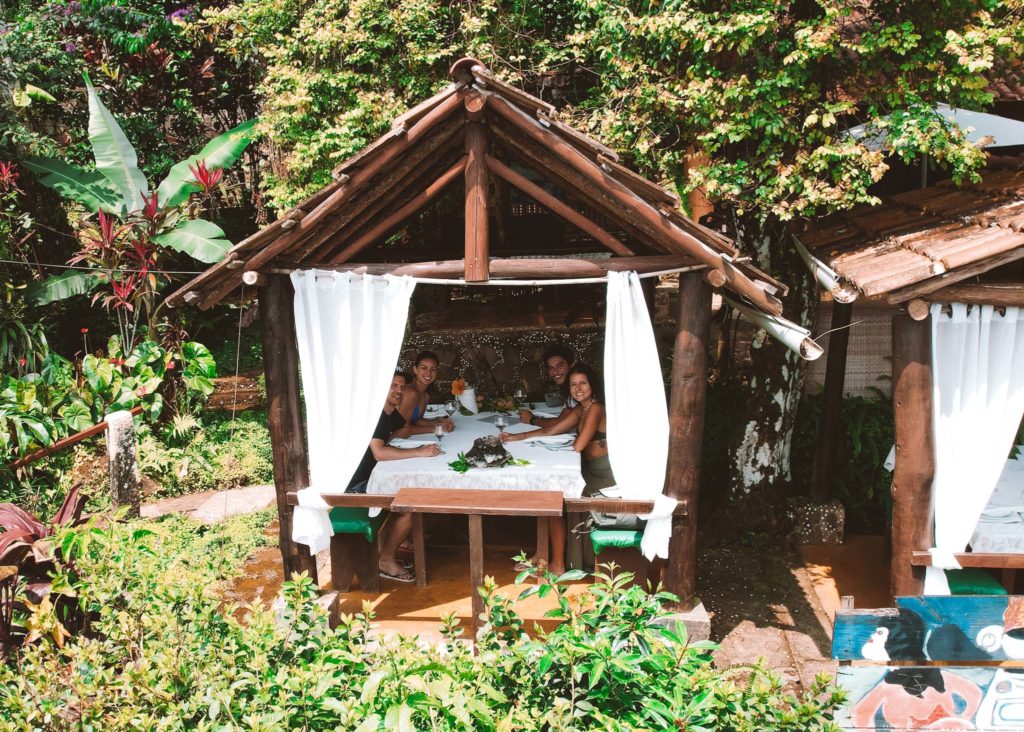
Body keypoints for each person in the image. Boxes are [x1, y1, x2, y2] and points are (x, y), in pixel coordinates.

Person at [501, 363, 614, 575]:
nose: (578, 388)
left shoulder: (596, 408)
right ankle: (543, 554)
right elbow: (552, 430)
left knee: (551, 497)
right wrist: (517, 437)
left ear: (592, 386)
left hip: (603, 477)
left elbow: (579, 445)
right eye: (573, 384)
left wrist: (570, 438)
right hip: (590, 470)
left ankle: (557, 564)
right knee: (545, 494)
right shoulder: (582, 408)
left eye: (583, 383)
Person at [346, 370, 441, 582]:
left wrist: (434, 428)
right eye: (392, 386)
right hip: (355, 485)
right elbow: (379, 453)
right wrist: (419, 451)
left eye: (401, 386)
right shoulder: (376, 416)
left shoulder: (389, 413)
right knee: (409, 505)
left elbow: (406, 428)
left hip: (372, 476)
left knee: (410, 492)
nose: (399, 391)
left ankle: (386, 546)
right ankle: (386, 560)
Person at [394, 350, 455, 438]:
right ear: (415, 369)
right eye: (424, 367)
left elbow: (417, 421)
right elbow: (402, 428)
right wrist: (437, 428)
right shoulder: (411, 392)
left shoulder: (425, 394)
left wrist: (440, 421)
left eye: (433, 369)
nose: (429, 373)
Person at [518, 344, 576, 429]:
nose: (555, 371)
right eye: (551, 367)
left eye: (560, 366)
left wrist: (532, 419)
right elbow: (564, 418)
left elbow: (562, 423)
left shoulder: (577, 389)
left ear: (571, 366)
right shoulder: (568, 388)